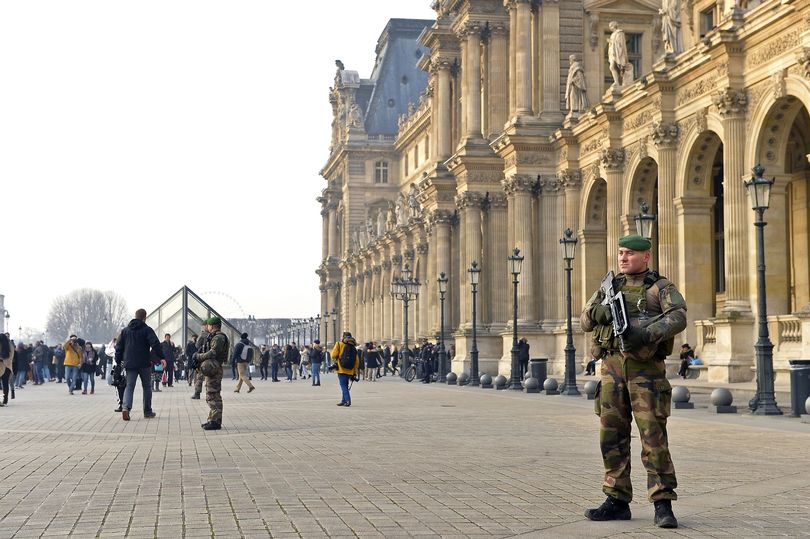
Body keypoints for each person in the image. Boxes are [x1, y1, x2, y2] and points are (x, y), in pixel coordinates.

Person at [580, 234, 686, 529]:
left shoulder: (659, 287)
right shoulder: (608, 288)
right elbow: (584, 320)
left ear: (646, 256)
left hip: (646, 372)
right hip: (611, 370)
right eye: (620, 253)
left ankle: (662, 502)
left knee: (653, 438)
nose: (623, 258)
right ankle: (616, 498)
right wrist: (599, 312)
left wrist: (646, 333)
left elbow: (678, 317)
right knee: (611, 437)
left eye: (629, 253)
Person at [115, 308, 164, 421]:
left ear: (135, 316)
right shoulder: (147, 330)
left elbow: (119, 347)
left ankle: (126, 408)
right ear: (144, 317)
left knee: (129, 386)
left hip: (130, 363)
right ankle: (147, 411)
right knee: (147, 387)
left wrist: (119, 361)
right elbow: (155, 344)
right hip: (144, 363)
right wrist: (162, 356)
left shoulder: (125, 331)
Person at [193, 316, 229, 430]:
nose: (206, 327)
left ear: (212, 326)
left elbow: (213, 352)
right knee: (211, 394)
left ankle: (215, 421)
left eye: (208, 325)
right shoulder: (216, 336)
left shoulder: (218, 338)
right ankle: (213, 419)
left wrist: (199, 357)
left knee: (213, 395)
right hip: (213, 368)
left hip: (214, 368)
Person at [330, 331, 359, 407]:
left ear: (343, 337)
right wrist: (354, 371)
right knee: (345, 385)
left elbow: (333, 355)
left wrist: (336, 359)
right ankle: (343, 400)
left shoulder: (339, 344)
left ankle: (347, 400)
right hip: (350, 370)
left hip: (341, 369)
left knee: (343, 386)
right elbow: (357, 361)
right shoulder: (353, 347)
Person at [0, 333, 14, 406]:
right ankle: (5, 400)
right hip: (8, 366)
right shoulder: (10, 345)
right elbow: (11, 356)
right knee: (5, 384)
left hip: (1, 366)